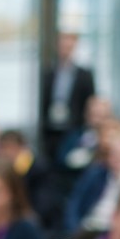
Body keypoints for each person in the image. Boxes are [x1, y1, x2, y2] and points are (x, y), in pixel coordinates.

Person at [41, 32, 95, 162]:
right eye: (62, 45)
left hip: (74, 126)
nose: (65, 49)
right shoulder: (48, 73)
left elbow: (90, 101)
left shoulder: (84, 74)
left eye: (68, 45)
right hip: (51, 127)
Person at [0, 130, 60, 239]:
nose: (7, 153)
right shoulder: (2, 170)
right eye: (3, 148)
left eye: (11, 148)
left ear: (22, 147)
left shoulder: (38, 168)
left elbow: (44, 205)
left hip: (36, 223)